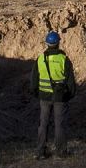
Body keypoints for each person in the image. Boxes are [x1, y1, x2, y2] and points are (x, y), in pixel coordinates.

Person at [30, 31, 76, 159]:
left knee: (43, 124)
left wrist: (36, 93)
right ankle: (60, 153)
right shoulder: (64, 59)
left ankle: (40, 152)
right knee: (59, 124)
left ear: (47, 43)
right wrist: (69, 95)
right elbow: (70, 81)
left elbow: (33, 81)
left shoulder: (40, 59)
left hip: (44, 97)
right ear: (58, 43)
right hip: (60, 98)